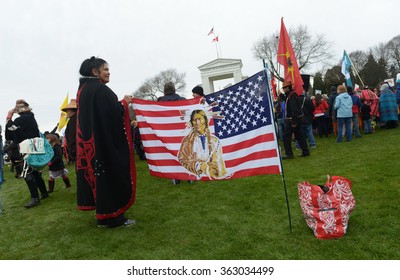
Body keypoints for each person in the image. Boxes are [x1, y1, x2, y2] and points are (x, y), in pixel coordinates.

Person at [76, 56, 136, 228]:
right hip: (103, 146)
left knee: (100, 180)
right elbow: (113, 114)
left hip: (91, 146)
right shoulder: (100, 90)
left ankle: (103, 217)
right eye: (105, 69)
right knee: (110, 178)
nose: (109, 73)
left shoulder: (84, 90)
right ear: (95, 72)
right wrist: (124, 103)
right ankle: (115, 218)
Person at [5, 99, 49, 208]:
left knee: (27, 172)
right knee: (35, 171)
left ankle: (35, 198)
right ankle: (44, 193)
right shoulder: (31, 118)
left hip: (26, 148)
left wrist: (9, 117)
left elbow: (9, 134)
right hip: (34, 147)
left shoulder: (21, 120)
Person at [178, 110, 227, 179]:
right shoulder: (187, 141)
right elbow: (183, 159)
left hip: (212, 175)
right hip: (195, 174)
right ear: (191, 122)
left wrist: (212, 167)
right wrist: (199, 165)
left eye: (200, 119)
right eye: (194, 120)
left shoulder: (215, 141)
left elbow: (218, 161)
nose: (197, 123)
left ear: (205, 120)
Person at [158, 82, 186, 184]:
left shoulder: (160, 102)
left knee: (171, 155)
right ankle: (189, 175)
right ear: (174, 89)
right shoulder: (182, 100)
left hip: (167, 133)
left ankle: (175, 177)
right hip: (181, 131)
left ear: (165, 90)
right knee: (184, 153)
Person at [281, 81, 310, 159]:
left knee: (286, 136)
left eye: (284, 88)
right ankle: (305, 151)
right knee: (300, 136)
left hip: (292, 120)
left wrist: (294, 121)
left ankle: (289, 153)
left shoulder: (291, 96)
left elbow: (294, 110)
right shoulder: (291, 95)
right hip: (295, 120)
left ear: (287, 88)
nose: (283, 89)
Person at [61, 99, 77, 164]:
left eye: (68, 111)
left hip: (76, 149)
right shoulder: (76, 119)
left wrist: (72, 151)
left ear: (73, 111)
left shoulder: (73, 120)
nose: (66, 112)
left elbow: (72, 136)